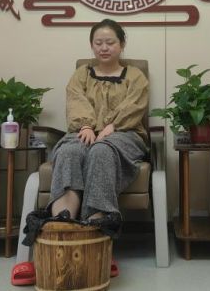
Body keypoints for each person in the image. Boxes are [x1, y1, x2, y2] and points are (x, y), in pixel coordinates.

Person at [47, 19, 149, 226]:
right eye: (98, 43)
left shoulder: (135, 75)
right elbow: (75, 99)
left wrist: (113, 126)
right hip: (83, 131)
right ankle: (61, 224)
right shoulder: (82, 74)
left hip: (125, 133)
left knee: (101, 150)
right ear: (92, 45)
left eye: (110, 42)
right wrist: (85, 125)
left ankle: (96, 224)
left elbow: (134, 105)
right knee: (70, 151)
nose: (104, 48)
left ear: (121, 44)